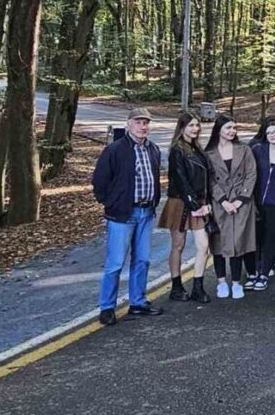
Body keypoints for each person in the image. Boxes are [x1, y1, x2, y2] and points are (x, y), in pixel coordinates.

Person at [93, 108, 164, 326]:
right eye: (138, 122)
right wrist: (111, 203)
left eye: (146, 123)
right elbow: (100, 181)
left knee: (142, 260)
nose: (143, 126)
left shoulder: (153, 149)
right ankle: (107, 307)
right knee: (115, 263)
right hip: (122, 214)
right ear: (129, 124)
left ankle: (138, 302)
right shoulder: (115, 150)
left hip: (146, 212)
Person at [158, 112, 213, 303]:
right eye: (191, 125)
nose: (195, 129)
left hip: (198, 202)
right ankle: (176, 286)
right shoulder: (177, 150)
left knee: (203, 246)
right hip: (180, 202)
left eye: (197, 125)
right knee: (178, 245)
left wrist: (204, 203)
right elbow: (180, 179)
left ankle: (198, 286)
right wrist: (194, 204)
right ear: (182, 127)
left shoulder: (197, 149)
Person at [205, 115, 257, 300]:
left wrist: (240, 199)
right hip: (220, 204)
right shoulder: (209, 153)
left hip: (241, 203)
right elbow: (208, 180)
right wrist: (223, 200)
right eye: (228, 128)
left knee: (238, 243)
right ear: (219, 129)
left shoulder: (244, 150)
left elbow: (251, 175)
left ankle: (236, 282)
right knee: (218, 244)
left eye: (234, 128)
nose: (232, 131)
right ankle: (221, 282)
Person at [250, 118, 275, 291]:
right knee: (257, 237)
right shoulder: (258, 151)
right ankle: (256, 269)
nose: (272, 135)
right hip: (257, 201)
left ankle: (264, 272)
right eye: (269, 132)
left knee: (272, 238)